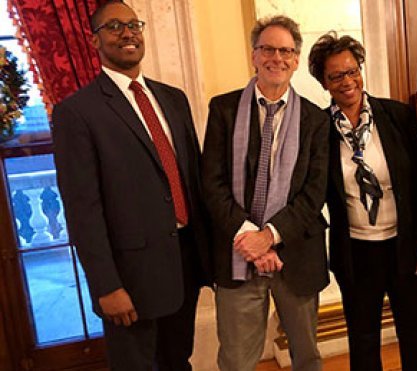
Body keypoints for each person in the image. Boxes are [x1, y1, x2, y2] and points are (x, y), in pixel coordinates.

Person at [52, 1, 210, 370]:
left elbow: (192, 179)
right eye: (114, 26)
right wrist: (106, 285)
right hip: (130, 277)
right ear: (94, 41)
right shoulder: (77, 112)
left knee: (178, 361)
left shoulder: (173, 98)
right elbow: (82, 208)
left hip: (184, 263)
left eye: (134, 25)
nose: (127, 33)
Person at [201, 15, 329, 371]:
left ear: (296, 59)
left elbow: (313, 193)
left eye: (286, 51)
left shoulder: (316, 119)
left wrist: (270, 237)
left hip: (296, 254)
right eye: (268, 49)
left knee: (306, 358)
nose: (277, 58)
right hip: (236, 253)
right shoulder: (223, 109)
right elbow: (211, 183)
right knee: (237, 360)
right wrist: (251, 241)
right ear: (254, 55)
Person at [308, 32, 417, 371]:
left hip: (406, 246)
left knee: (416, 334)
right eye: (335, 75)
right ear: (324, 83)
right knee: (363, 339)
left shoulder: (397, 116)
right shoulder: (318, 130)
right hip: (355, 251)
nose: (347, 81)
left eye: (352, 70)